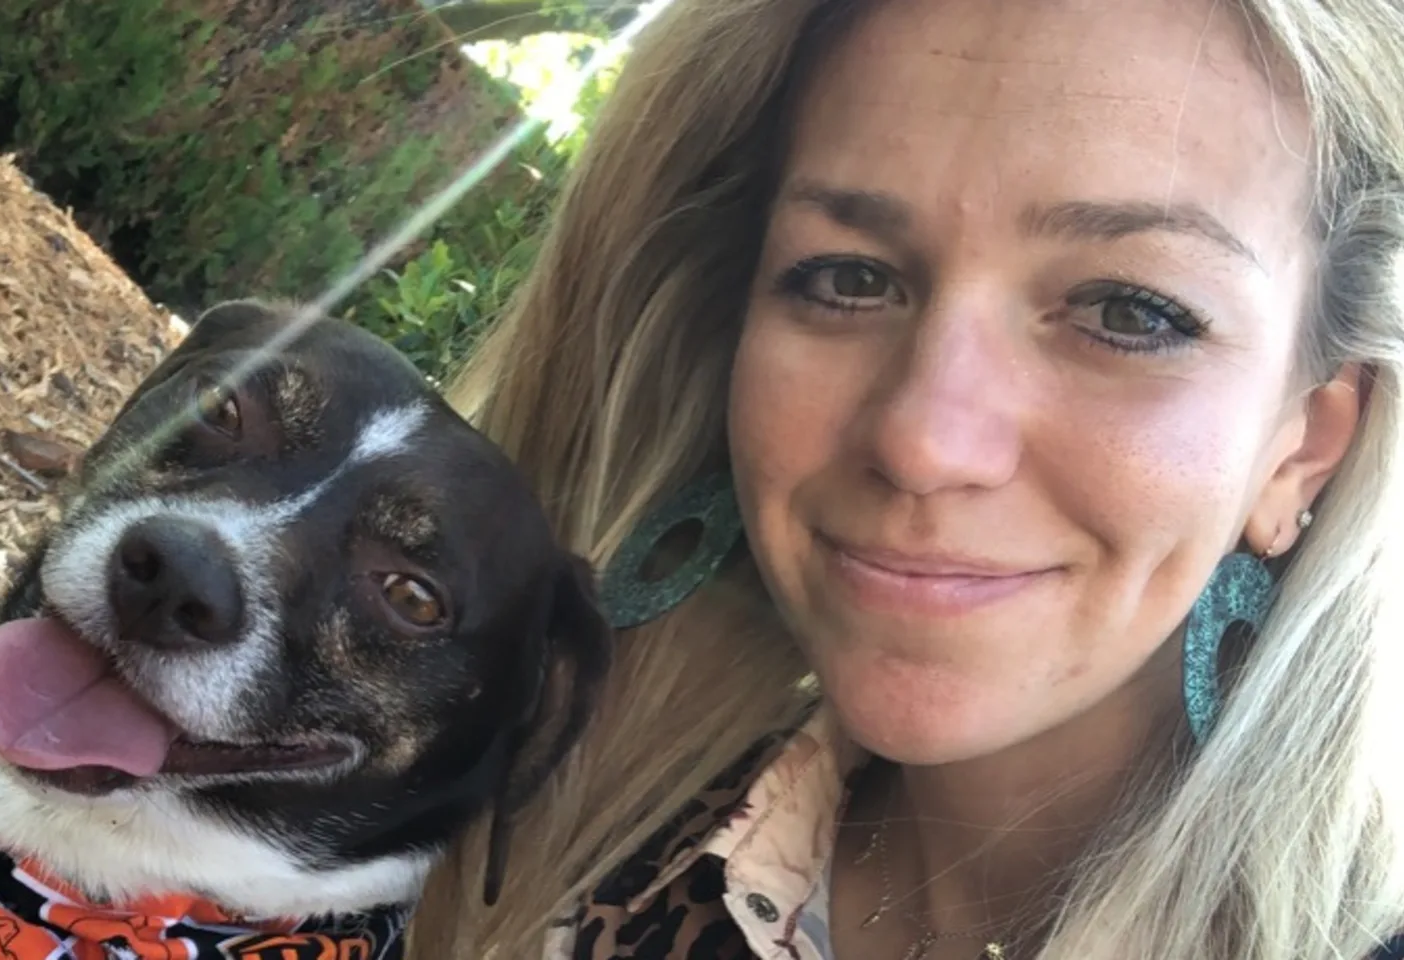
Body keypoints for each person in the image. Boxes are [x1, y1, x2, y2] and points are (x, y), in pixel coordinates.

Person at [405, 0, 1404, 956]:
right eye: (847, 277)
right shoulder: (533, 853)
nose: (924, 440)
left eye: (1129, 313)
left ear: (1303, 443)